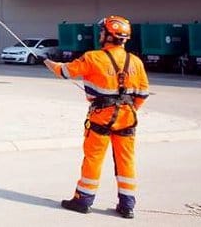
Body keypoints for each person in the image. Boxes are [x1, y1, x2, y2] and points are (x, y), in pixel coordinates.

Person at [44, 15, 149, 219]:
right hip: (127, 117)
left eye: (102, 32)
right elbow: (143, 93)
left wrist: (48, 62)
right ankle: (127, 205)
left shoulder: (93, 57)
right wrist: (129, 108)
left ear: (109, 36)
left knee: (93, 159)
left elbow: (64, 71)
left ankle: (83, 200)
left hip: (101, 117)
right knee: (126, 160)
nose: (100, 34)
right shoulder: (135, 62)